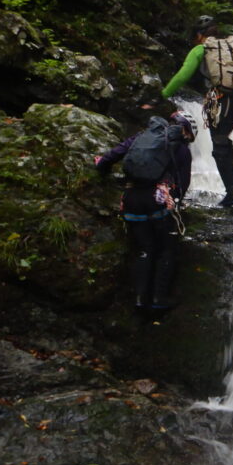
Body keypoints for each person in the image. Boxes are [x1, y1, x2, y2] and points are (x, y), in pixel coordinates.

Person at [95, 111, 195, 315]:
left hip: (132, 199)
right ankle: (159, 299)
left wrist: (101, 166)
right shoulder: (181, 149)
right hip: (158, 201)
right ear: (185, 131)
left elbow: (111, 157)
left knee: (145, 248)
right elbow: (182, 184)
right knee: (166, 249)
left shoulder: (141, 138)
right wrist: (174, 202)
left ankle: (141, 299)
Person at [160, 15, 233, 207]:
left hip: (220, 103)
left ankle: (231, 192)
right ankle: (232, 181)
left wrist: (163, 94)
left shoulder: (201, 50)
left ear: (199, 35)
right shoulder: (231, 50)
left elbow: (182, 76)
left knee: (219, 146)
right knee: (223, 141)